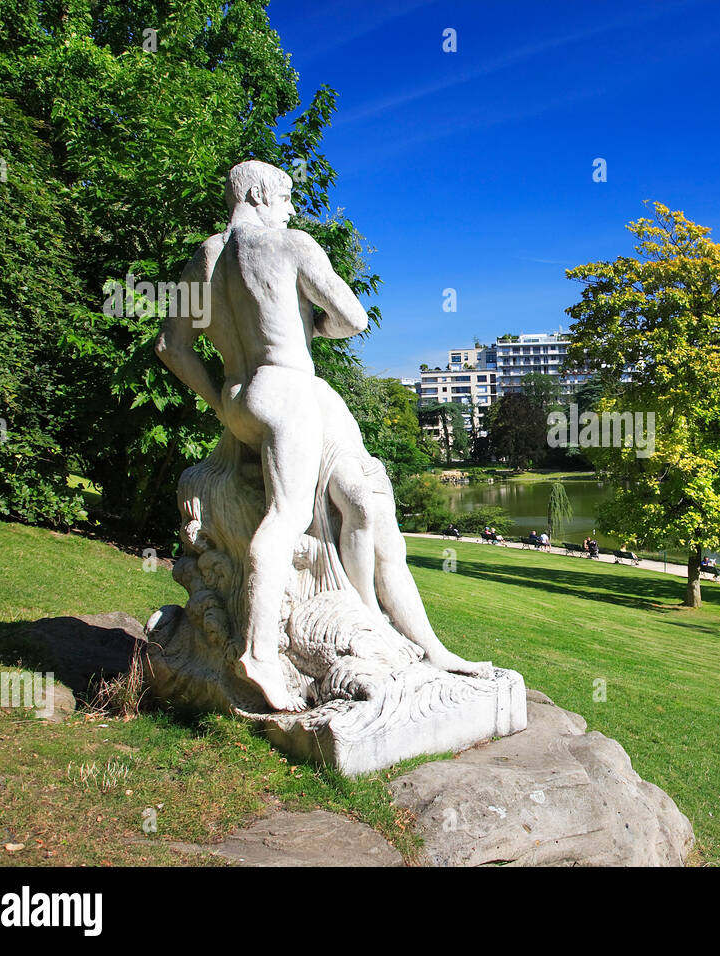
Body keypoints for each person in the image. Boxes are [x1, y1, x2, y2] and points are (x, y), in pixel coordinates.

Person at [158, 160, 491, 710]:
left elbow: (172, 347)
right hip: (289, 391)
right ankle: (259, 655)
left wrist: (221, 402)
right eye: (287, 195)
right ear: (261, 193)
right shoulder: (288, 244)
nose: (290, 206)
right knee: (286, 519)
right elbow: (354, 318)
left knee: (348, 503)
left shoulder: (206, 257)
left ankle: (411, 639)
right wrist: (313, 326)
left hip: (242, 399)